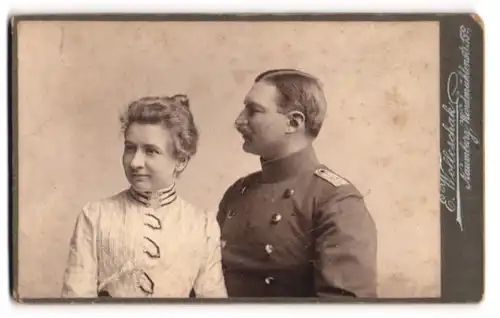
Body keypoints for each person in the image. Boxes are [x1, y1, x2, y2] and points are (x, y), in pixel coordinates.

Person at [217, 69, 377, 298]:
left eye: (253, 111)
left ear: (293, 122)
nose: (239, 121)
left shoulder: (337, 201)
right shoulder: (238, 192)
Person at [61, 94, 227, 298]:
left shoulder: (202, 225)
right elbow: (76, 298)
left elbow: (213, 303)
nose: (135, 162)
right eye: (130, 149)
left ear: (181, 160)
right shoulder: (95, 216)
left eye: (150, 151)